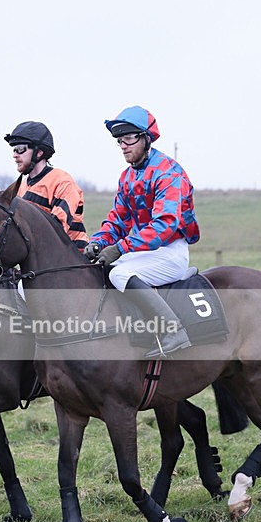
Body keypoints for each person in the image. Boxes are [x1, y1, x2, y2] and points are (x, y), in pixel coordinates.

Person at [84, 106, 200, 358]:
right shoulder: (127, 176)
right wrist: (97, 242)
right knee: (97, 271)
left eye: (128, 138)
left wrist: (119, 248)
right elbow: (117, 221)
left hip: (169, 252)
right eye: (119, 140)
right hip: (142, 253)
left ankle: (174, 331)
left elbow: (164, 225)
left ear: (146, 138)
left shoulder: (169, 172)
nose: (123, 146)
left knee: (119, 273)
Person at [4, 121, 88, 251]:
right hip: (38, 257)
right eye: (14, 149)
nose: (15, 155)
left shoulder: (62, 182)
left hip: (72, 255)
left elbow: (55, 231)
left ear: (39, 152)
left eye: (20, 149)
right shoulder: (21, 187)